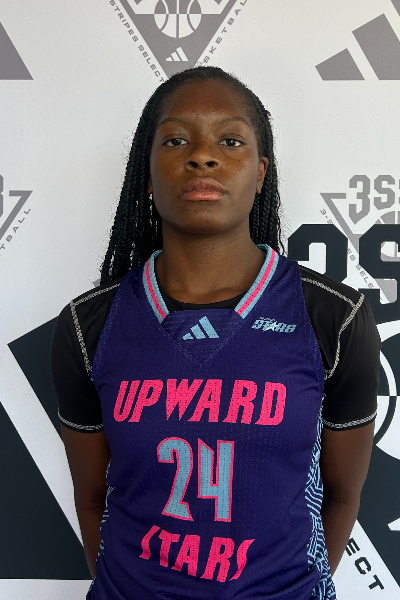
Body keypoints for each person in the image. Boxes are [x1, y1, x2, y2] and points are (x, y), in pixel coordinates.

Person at [51, 66, 380, 600]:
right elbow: (92, 500)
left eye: (230, 141)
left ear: (260, 172)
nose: (203, 156)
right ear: (147, 172)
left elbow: (341, 495)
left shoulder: (333, 317)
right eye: (176, 140)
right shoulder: (89, 325)